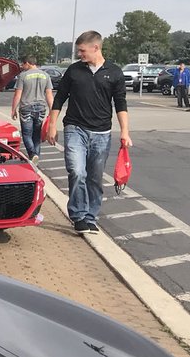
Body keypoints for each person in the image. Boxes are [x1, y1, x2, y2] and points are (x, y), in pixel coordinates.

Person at [45, 30, 131, 234]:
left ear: (96, 48)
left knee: (94, 177)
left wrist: (125, 131)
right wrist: (51, 125)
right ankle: (78, 215)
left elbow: (120, 103)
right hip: (75, 128)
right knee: (77, 171)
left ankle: (91, 217)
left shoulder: (114, 72)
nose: (80, 55)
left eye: (82, 51)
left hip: (102, 133)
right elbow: (59, 98)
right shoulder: (74, 71)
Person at [10, 56, 53, 162]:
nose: (22, 66)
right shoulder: (46, 75)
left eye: (23, 64)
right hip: (41, 108)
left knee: (26, 134)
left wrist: (13, 109)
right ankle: (36, 157)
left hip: (26, 107)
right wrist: (52, 110)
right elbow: (49, 94)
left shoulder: (23, 76)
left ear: (28, 63)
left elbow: (17, 95)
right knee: (37, 134)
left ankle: (32, 154)